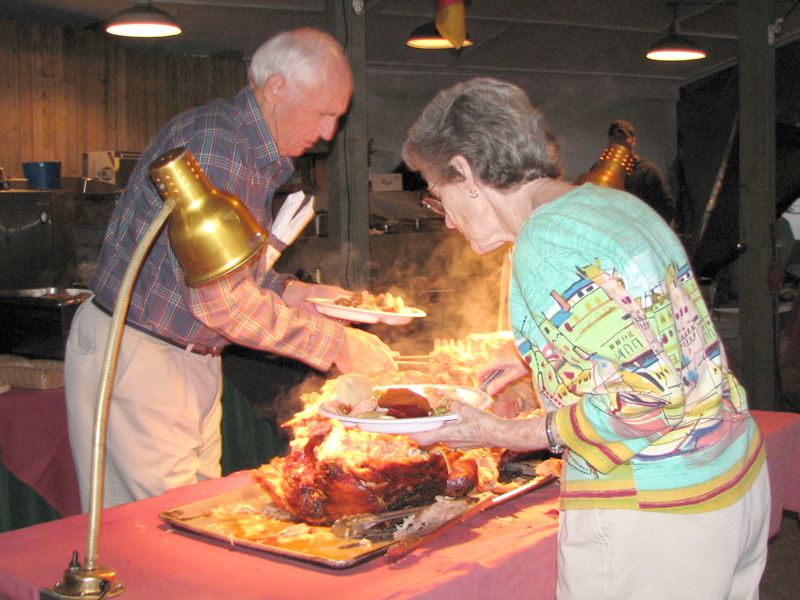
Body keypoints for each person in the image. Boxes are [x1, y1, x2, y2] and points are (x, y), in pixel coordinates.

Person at [403, 78, 769, 600]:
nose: (449, 220)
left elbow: (646, 401)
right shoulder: (611, 205)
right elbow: (660, 329)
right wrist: (537, 354)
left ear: (465, 172)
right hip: (730, 478)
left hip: (655, 515)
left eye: (438, 195)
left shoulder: (545, 241)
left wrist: (496, 432)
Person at [65, 28, 397, 510]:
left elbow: (221, 269)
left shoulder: (245, 146)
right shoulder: (219, 147)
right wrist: (336, 345)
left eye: (337, 118)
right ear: (277, 87)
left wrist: (292, 291)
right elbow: (220, 302)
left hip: (183, 357)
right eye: (324, 113)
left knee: (191, 517)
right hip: (143, 353)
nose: (328, 134)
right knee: (162, 529)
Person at [603, 119, 676, 225]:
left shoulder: (648, 171)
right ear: (609, 140)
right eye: (614, 138)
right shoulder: (601, 169)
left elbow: (667, 206)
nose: (619, 142)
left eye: (623, 138)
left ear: (633, 141)